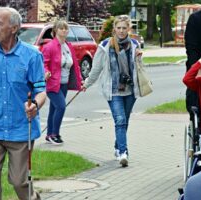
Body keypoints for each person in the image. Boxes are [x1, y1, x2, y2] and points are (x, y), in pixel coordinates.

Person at [0, 7, 45, 200]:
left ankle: (33, 198)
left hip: (20, 131)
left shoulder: (32, 56)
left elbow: (41, 92)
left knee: (19, 181)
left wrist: (34, 106)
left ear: (13, 28)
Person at [82, 15, 142, 168]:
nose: (121, 31)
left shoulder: (134, 45)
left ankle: (117, 147)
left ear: (129, 29)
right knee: (120, 120)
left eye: (124, 28)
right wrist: (87, 83)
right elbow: (96, 68)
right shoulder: (105, 46)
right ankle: (123, 152)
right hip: (113, 90)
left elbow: (138, 69)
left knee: (124, 121)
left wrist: (139, 58)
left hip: (130, 90)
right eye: (119, 28)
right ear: (114, 29)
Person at [42, 20, 82, 145]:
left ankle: (49, 135)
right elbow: (43, 63)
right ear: (55, 31)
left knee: (54, 109)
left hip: (64, 83)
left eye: (66, 28)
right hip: (53, 83)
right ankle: (55, 134)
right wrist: (46, 71)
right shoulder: (49, 46)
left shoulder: (68, 46)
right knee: (61, 106)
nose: (64, 30)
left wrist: (80, 81)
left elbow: (75, 65)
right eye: (61, 28)